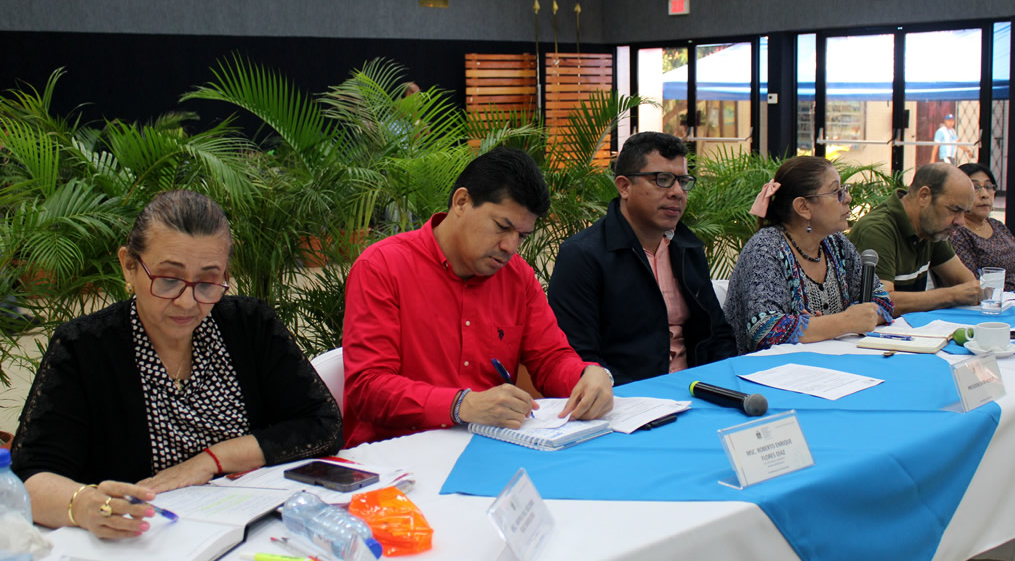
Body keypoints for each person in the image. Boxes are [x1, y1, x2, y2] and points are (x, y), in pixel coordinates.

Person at [10, 190, 343, 539]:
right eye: (168, 280)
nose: (187, 302)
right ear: (129, 266)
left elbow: (323, 426)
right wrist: (83, 505)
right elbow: (30, 476)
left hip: (251, 533)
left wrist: (209, 461)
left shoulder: (248, 325)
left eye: (207, 282)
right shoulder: (85, 348)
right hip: (141, 542)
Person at [342, 146, 614, 447]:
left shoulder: (517, 276)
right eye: (502, 227)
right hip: (396, 455)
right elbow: (369, 388)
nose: (510, 246)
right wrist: (461, 405)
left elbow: (550, 358)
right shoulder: (382, 267)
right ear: (461, 202)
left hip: (489, 446)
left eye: (522, 236)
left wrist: (588, 375)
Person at [547, 132, 737, 385]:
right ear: (624, 186)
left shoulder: (687, 247)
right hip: (628, 399)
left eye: (682, 181)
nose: (677, 192)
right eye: (663, 180)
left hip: (699, 389)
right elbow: (578, 355)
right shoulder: (583, 255)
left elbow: (716, 334)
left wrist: (726, 385)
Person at [723, 156, 894, 354]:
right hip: (765, 375)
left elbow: (882, 301)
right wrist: (844, 322)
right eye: (837, 192)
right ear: (803, 207)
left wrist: (826, 325)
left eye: (844, 190)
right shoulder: (765, 248)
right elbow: (765, 330)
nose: (847, 198)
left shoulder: (835, 243)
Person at [849, 162, 981, 316]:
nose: (961, 221)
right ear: (924, 196)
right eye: (954, 210)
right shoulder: (876, 230)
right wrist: (952, 295)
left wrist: (962, 292)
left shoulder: (930, 229)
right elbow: (880, 303)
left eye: (964, 212)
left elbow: (967, 285)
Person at [948, 163, 1015, 290]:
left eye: (988, 187)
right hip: (993, 302)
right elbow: (973, 284)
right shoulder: (957, 233)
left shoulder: (997, 225)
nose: (984, 194)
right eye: (975, 187)